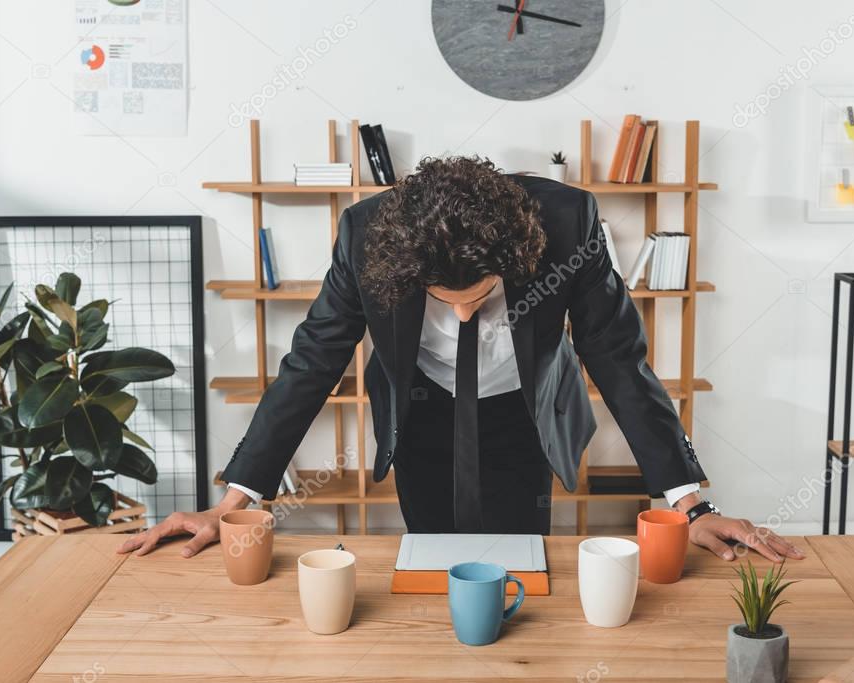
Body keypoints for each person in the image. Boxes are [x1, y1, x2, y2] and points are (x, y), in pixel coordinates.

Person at [119, 156, 803, 563]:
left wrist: (690, 503)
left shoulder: (567, 224)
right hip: (420, 410)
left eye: (480, 297)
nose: (467, 314)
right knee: (436, 553)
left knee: (520, 560)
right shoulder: (365, 236)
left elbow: (618, 357)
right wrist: (233, 502)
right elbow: (311, 361)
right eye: (448, 301)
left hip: (524, 409)